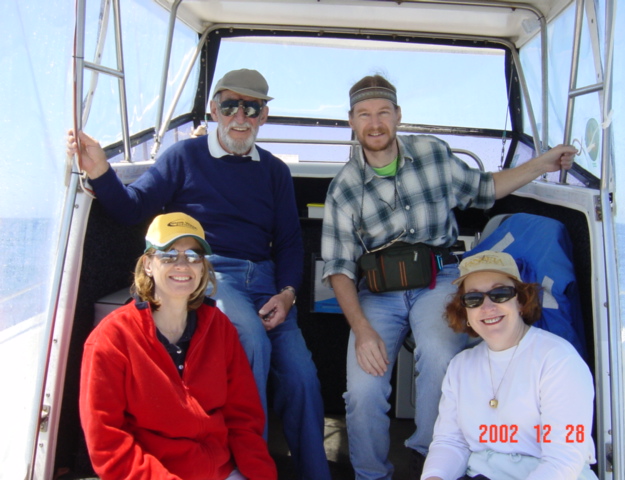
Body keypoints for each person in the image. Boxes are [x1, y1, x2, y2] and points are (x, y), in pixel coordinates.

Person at [69, 69, 330, 479]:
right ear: (213, 109)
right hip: (210, 271)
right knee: (249, 340)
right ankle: (250, 466)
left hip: (268, 284)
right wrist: (101, 171)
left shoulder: (275, 172)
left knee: (303, 378)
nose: (239, 116)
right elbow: (133, 208)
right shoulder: (183, 157)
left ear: (264, 115)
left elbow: (290, 243)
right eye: (230, 105)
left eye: (252, 107)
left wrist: (287, 294)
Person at [321, 74, 578, 479]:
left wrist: (542, 164)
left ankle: (431, 458)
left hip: (437, 279)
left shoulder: (433, 154)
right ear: (351, 121)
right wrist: (362, 329)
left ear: (398, 116)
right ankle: (371, 473)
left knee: (441, 356)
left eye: (383, 112)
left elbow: (485, 189)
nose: (375, 123)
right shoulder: (344, 189)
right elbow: (338, 268)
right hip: (378, 294)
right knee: (363, 389)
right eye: (364, 114)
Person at [79, 212, 277, 480]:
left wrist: (261, 475)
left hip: (221, 472)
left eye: (194, 256)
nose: (183, 264)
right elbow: (108, 443)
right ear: (148, 264)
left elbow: (243, 419)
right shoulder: (112, 338)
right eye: (169, 255)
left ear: (203, 267)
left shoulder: (219, 327)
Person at [421, 250, 597, 480]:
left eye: (500, 294)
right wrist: (434, 476)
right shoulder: (460, 366)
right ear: (465, 311)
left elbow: (564, 462)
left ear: (522, 301)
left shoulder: (558, 359)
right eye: (473, 299)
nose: (487, 306)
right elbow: (450, 442)